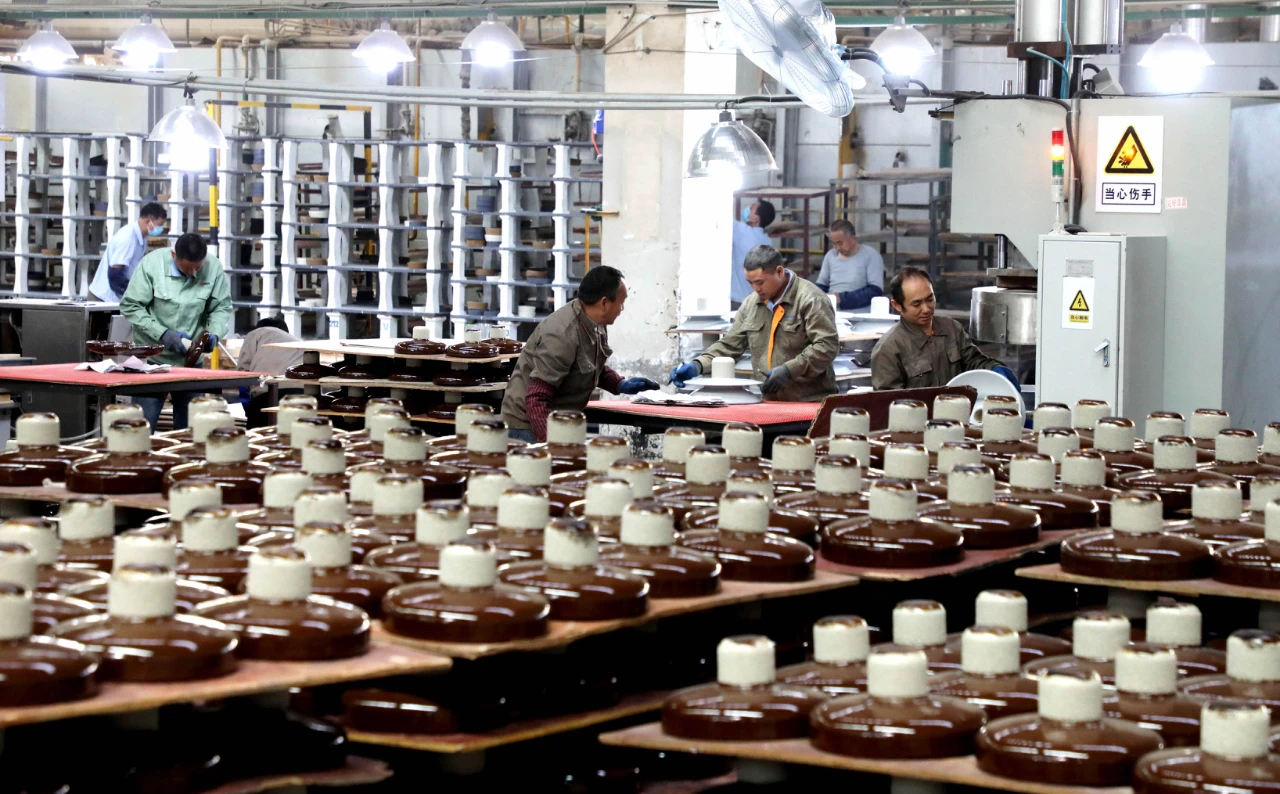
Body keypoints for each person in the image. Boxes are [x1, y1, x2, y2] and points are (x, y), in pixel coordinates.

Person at [502, 266, 659, 442]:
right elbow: (537, 398)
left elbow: (586, 363)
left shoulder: (595, 321)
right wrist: (553, 447)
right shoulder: (562, 335)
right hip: (528, 425)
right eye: (621, 302)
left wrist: (619, 384)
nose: (622, 308)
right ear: (604, 303)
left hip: (558, 420)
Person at [670, 245, 838, 402]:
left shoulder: (811, 299)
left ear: (779, 272)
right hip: (769, 402)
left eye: (760, 282)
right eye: (750, 283)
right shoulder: (751, 304)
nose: (755, 288)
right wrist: (697, 365)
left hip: (810, 401)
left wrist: (789, 370)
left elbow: (827, 345)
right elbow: (729, 345)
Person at [120, 233, 233, 431]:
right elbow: (131, 306)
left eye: (198, 268)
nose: (193, 273)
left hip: (190, 365)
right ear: (174, 255)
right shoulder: (152, 265)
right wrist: (162, 333)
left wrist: (213, 333)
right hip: (152, 362)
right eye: (187, 268)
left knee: (191, 431)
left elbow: (221, 308)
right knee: (141, 429)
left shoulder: (213, 267)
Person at [870, 266, 1019, 391]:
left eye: (930, 299)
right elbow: (889, 402)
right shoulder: (888, 349)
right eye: (916, 304)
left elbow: (974, 361)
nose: (926, 309)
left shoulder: (951, 329)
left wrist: (994, 370)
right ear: (897, 305)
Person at [88, 202, 168, 302]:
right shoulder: (128, 238)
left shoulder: (141, 238)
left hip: (114, 297)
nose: (161, 229)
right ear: (148, 221)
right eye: (159, 225)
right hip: (103, 298)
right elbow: (115, 275)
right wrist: (136, 295)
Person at [237, 315, 304, 428]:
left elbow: (243, 375)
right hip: (303, 396)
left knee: (258, 435)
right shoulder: (299, 342)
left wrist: (251, 413)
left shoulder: (256, 334)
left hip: (266, 395)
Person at [814, 219, 884, 311]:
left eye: (840, 243)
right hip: (832, 312)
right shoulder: (830, 255)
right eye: (834, 243)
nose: (837, 247)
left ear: (853, 238)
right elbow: (821, 285)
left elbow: (875, 291)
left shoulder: (871, 255)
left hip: (861, 314)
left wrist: (842, 299)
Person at [731, 200, 775, 305]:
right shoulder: (767, 241)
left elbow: (721, 219)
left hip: (738, 300)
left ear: (756, 218)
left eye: (751, 208)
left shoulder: (742, 232)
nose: (747, 209)